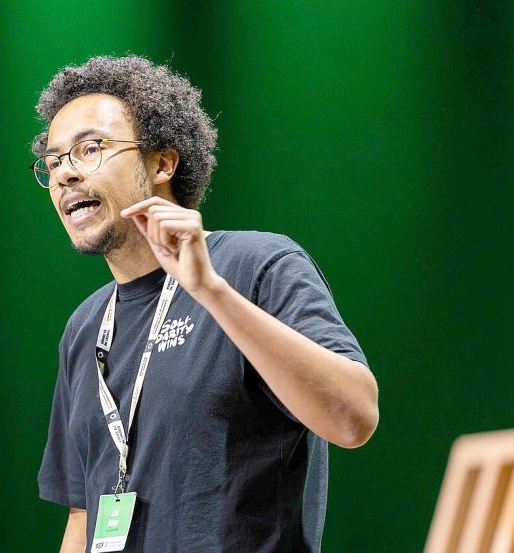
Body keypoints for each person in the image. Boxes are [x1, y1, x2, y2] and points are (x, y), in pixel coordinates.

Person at [32, 56, 379, 553]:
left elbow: (355, 418)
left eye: (89, 149)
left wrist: (211, 291)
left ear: (161, 163)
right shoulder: (85, 326)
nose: (65, 174)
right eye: (54, 161)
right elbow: (83, 514)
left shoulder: (257, 265)